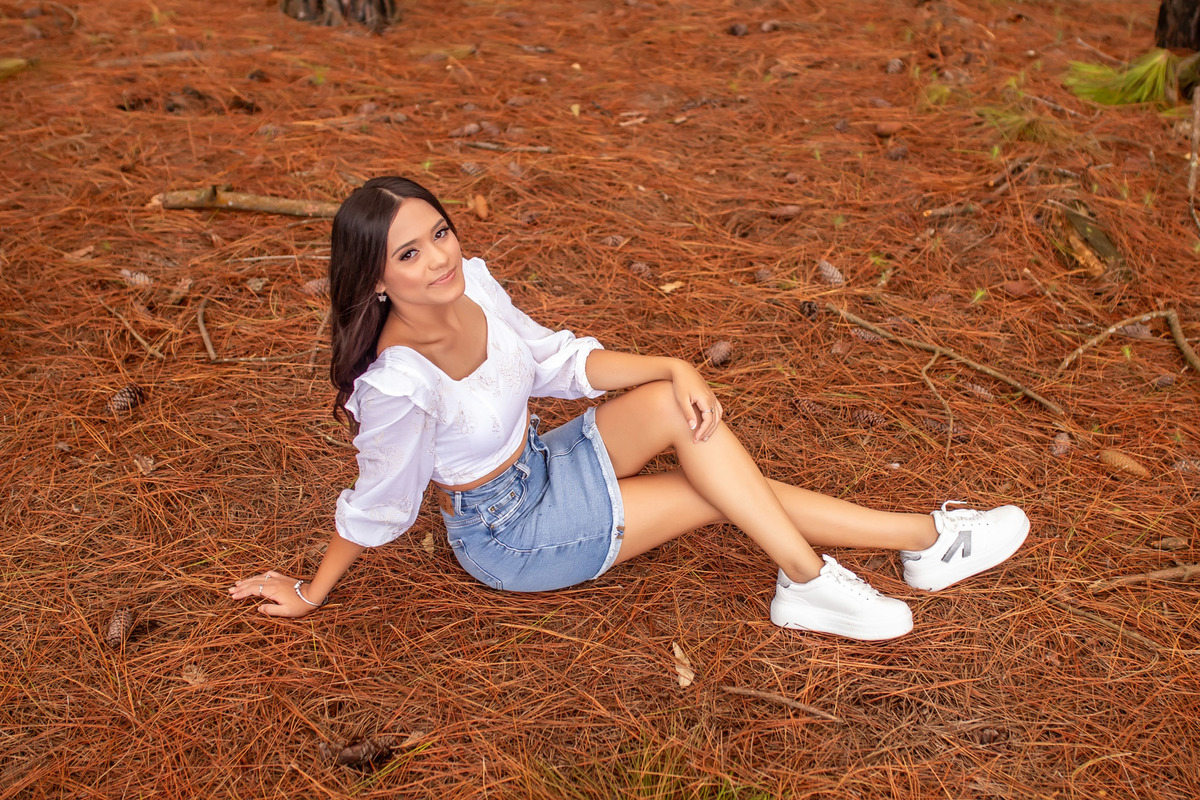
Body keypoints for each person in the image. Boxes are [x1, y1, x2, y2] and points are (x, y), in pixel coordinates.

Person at [230, 176, 1029, 641]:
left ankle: (913, 549)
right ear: (376, 279)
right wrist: (311, 588)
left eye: (439, 233)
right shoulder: (399, 385)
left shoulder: (474, 285)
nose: (439, 257)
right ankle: (852, 563)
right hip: (509, 534)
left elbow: (555, 361)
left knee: (676, 408)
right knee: (708, 492)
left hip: (543, 462)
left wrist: (675, 365)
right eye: (410, 253)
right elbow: (381, 504)